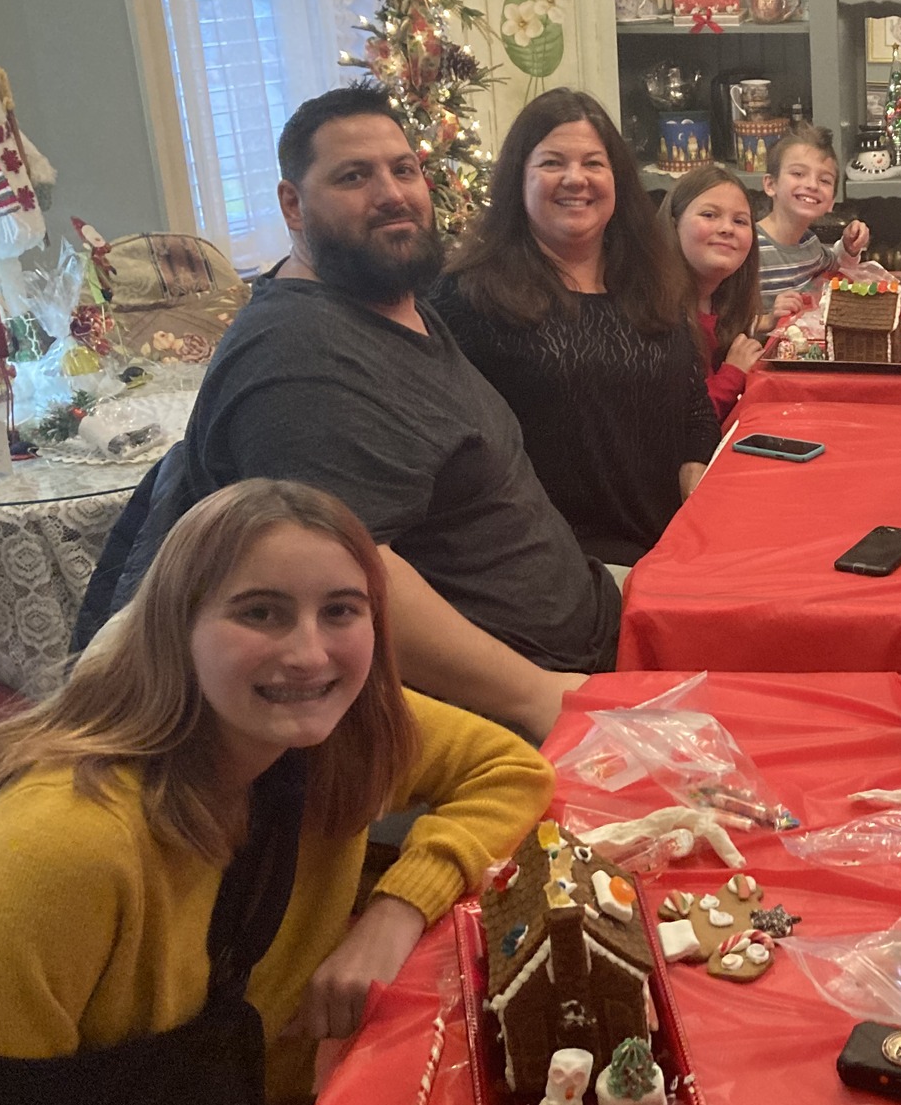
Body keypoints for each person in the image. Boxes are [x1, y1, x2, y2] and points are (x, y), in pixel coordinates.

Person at [0, 479, 552, 1105]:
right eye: (261, 613)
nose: (309, 653)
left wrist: (395, 910)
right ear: (176, 629)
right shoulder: (61, 847)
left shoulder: (337, 731)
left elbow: (510, 771)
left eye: (341, 611)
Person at [112, 85, 615, 740]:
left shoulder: (391, 301)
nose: (392, 194)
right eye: (354, 177)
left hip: (591, 622)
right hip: (512, 710)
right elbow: (349, 580)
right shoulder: (299, 358)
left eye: (403, 169)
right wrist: (538, 696)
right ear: (293, 204)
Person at [434, 89, 723, 568]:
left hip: (668, 552)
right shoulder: (468, 296)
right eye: (552, 163)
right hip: (554, 566)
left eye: (593, 163)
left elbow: (691, 401)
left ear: (617, 180)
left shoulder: (652, 279)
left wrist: (696, 464)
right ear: (518, 179)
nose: (576, 179)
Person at [663, 163, 763, 421]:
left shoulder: (722, 303)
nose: (727, 228)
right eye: (709, 215)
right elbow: (681, 421)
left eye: (740, 221)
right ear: (674, 224)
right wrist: (733, 373)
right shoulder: (658, 314)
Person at [756, 123, 869, 316]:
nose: (812, 185)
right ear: (770, 184)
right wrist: (768, 317)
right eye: (798, 173)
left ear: (831, 201)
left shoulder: (811, 244)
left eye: (824, 180)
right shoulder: (748, 247)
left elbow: (838, 267)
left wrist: (849, 247)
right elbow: (723, 317)